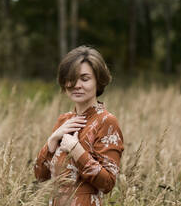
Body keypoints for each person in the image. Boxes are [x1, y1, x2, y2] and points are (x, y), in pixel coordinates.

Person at [34, 45, 124, 206]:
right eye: (71, 79)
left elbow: (108, 183)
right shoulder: (64, 121)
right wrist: (52, 140)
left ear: (98, 80)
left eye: (84, 78)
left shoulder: (106, 121)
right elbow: (40, 176)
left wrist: (76, 149)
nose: (76, 85)